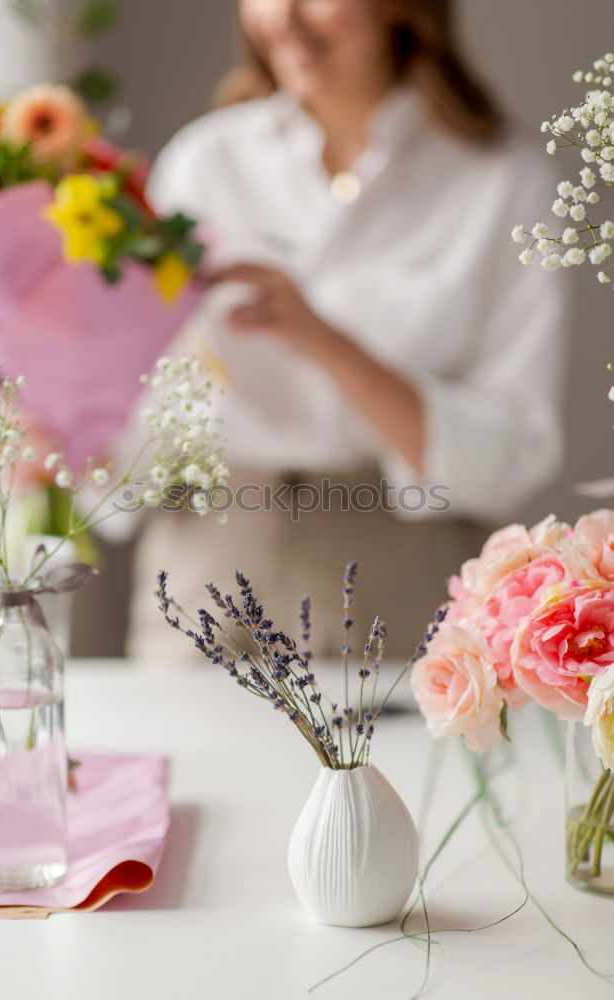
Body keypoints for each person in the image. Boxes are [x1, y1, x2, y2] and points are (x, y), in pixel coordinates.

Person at [126, 0, 567, 661]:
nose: (285, 18)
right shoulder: (204, 161)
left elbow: (515, 455)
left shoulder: (503, 182)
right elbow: (144, 405)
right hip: (208, 567)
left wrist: (320, 338)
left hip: (406, 581)